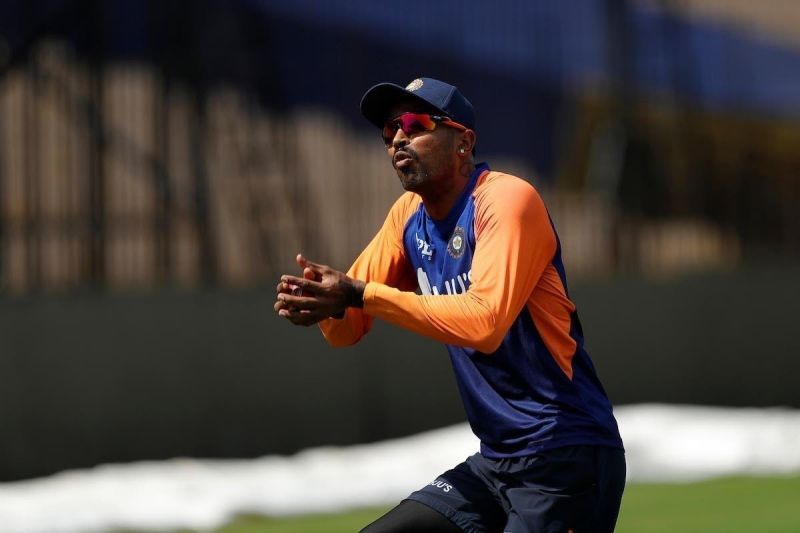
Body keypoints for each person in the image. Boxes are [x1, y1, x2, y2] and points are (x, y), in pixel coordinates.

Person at [275, 77, 625, 533]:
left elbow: (484, 324)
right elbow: (346, 330)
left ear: (464, 142)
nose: (398, 137)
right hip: (495, 462)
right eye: (388, 132)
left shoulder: (504, 199)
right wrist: (327, 305)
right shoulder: (407, 217)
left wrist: (359, 294)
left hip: (565, 455)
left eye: (415, 123)